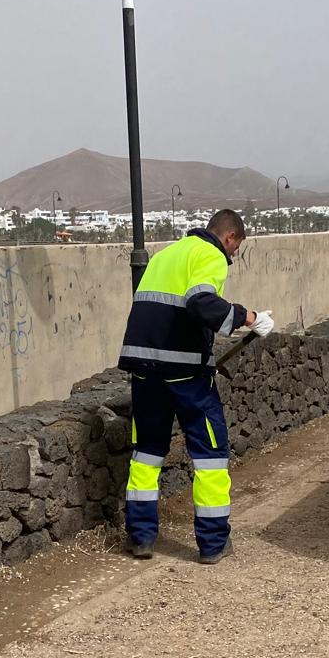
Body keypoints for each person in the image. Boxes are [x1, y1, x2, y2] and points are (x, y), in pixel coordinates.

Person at [118, 208, 274, 563]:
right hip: (185, 374)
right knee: (210, 457)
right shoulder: (210, 254)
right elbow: (201, 302)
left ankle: (141, 538)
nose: (232, 257)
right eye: (235, 250)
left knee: (146, 453)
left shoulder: (167, 254)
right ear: (230, 238)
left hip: (144, 369)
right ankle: (213, 542)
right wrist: (250, 318)